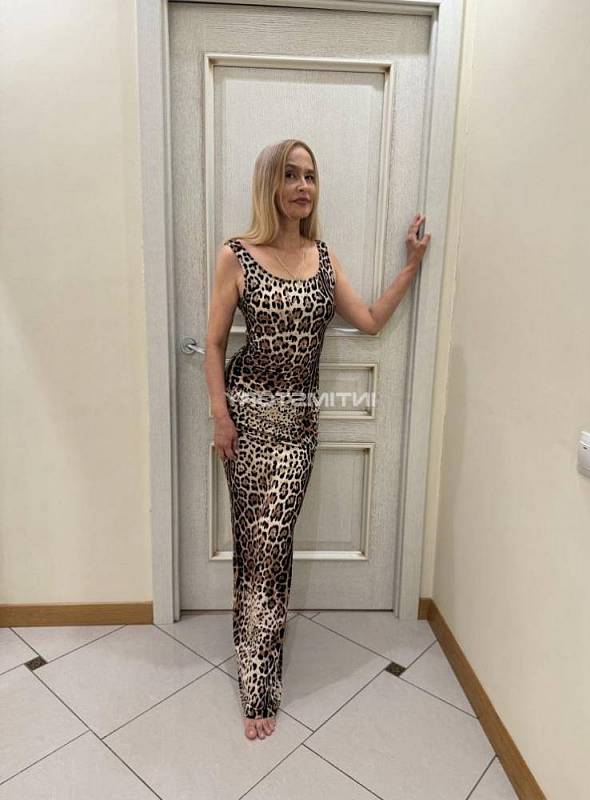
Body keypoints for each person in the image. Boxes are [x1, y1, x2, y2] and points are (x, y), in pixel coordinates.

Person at [203, 138, 431, 741]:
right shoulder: (236, 254)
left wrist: (410, 266)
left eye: (310, 176)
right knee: (258, 550)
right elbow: (216, 343)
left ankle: (256, 655)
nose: (303, 186)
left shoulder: (323, 258)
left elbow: (370, 321)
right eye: (290, 175)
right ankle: (257, 676)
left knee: (272, 547)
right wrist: (221, 417)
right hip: (248, 421)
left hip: (299, 429)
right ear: (270, 185)